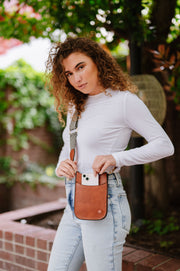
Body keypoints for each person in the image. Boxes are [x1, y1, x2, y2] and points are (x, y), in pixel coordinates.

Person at [46, 37, 174, 271]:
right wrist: (61, 165)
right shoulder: (77, 105)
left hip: (104, 201)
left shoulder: (123, 101)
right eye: (69, 74)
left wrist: (117, 158)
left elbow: (164, 145)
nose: (76, 78)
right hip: (74, 201)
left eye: (80, 67)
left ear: (97, 61)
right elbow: (69, 146)